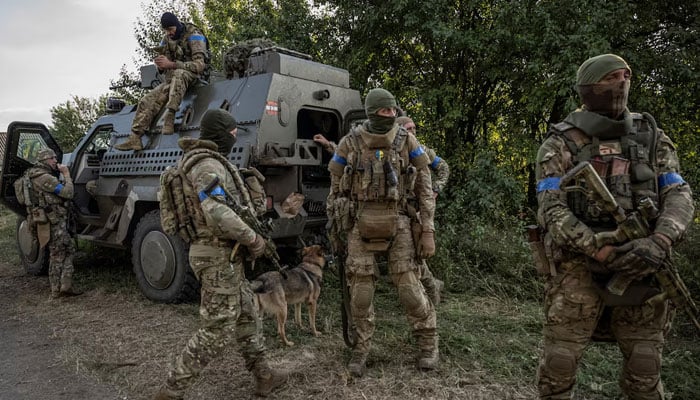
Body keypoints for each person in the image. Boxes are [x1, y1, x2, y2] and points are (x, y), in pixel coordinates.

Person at [534, 54, 694, 399]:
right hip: (579, 267)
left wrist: (659, 242)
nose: (621, 83)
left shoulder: (651, 137)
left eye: (626, 75)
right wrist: (600, 247)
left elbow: (679, 194)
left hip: (645, 266)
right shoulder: (560, 143)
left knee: (645, 368)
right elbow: (550, 210)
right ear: (589, 87)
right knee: (558, 367)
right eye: (611, 78)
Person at [153, 109, 287, 400]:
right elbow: (216, 211)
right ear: (219, 133)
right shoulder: (206, 166)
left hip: (224, 254)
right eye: (232, 132)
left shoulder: (206, 162)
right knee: (217, 328)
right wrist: (252, 239)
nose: (235, 136)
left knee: (247, 313)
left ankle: (264, 376)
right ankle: (171, 390)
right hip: (215, 254)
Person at [327, 88, 438, 377]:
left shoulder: (407, 140)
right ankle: (361, 350)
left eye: (393, 111)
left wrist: (428, 230)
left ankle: (428, 344)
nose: (391, 115)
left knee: (410, 289)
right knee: (360, 293)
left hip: (399, 219)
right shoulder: (349, 143)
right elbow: (335, 187)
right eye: (385, 111)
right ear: (372, 111)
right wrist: (336, 228)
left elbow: (425, 189)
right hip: (359, 221)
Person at [116, 12, 209, 151]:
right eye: (166, 30)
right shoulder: (166, 40)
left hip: (194, 77)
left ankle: (170, 116)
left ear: (177, 25)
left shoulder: (194, 35)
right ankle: (135, 137)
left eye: (171, 29)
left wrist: (171, 64)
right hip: (174, 81)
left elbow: (200, 66)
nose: (169, 33)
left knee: (179, 74)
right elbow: (164, 65)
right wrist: (160, 66)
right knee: (148, 99)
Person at [396, 115, 448, 304]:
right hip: (399, 210)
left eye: (414, 128)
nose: (412, 132)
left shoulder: (422, 152)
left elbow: (443, 168)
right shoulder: (393, 151)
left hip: (417, 211)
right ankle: (429, 288)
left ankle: (431, 290)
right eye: (408, 129)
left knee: (416, 255)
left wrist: (435, 190)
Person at [20, 148, 80, 298]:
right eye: (52, 158)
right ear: (44, 161)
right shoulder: (45, 178)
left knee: (65, 249)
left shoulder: (30, 175)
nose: (55, 161)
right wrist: (66, 175)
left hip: (44, 220)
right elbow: (68, 193)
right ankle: (58, 288)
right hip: (54, 220)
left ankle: (64, 285)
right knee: (59, 252)